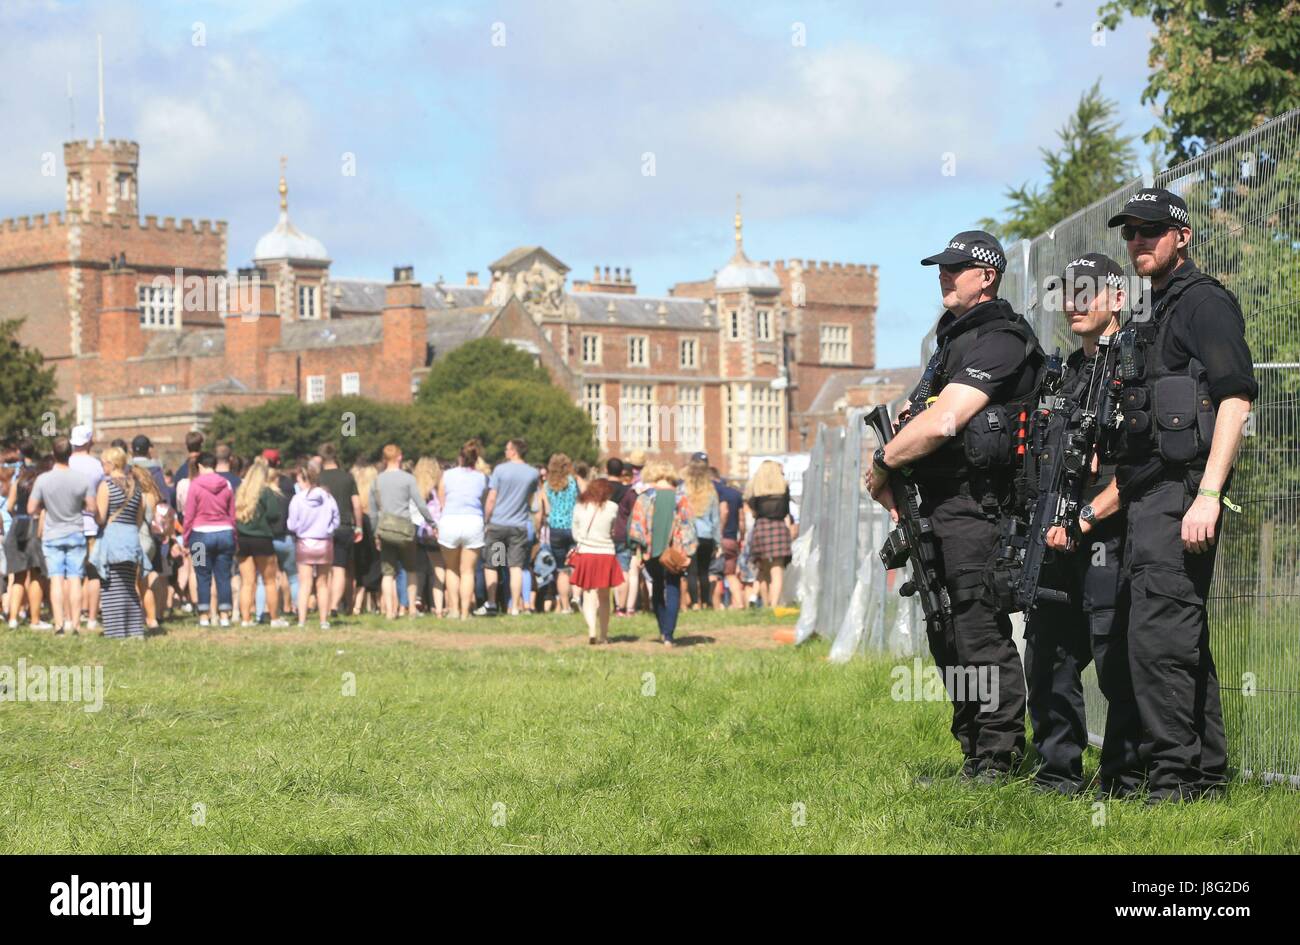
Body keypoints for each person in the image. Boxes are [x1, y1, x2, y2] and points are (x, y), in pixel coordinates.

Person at [867, 229, 1042, 783]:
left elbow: (944, 421)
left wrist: (883, 464)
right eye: (940, 267)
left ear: (986, 276)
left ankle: (1001, 756)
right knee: (946, 632)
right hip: (938, 507)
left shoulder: (1001, 337)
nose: (943, 274)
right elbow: (918, 416)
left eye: (955, 267)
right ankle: (974, 754)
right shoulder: (950, 339)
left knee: (978, 631)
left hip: (979, 509)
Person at [1104, 188, 1257, 803]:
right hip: (1147, 499)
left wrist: (1210, 494)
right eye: (1130, 233)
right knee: (1172, 636)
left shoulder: (1204, 305)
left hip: (1183, 495)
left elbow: (1237, 401)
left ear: (1182, 236)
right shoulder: (1152, 311)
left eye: (1151, 231)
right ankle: (1203, 777)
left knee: (1161, 642)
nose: (1138, 241)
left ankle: (1171, 785)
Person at [1024, 253, 1142, 796]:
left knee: (1115, 661)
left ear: (1117, 298)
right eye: (1067, 291)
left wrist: (1086, 519)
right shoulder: (1064, 372)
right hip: (1054, 540)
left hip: (1111, 539)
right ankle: (1057, 777)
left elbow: (1143, 467)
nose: (1073, 302)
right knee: (1048, 656)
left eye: (1086, 291)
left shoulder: (1138, 365)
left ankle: (1124, 780)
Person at [28, 435, 96, 634]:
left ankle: (59, 624)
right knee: (75, 578)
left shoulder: (43, 479)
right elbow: (92, 507)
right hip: (75, 530)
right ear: (70, 454)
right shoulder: (81, 479)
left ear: (53, 453)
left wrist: (46, 505)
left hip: (52, 533)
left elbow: (31, 508)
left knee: (56, 578)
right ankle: (75, 624)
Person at [629, 460, 697, 647]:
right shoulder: (680, 498)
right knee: (673, 587)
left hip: (651, 551)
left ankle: (662, 629)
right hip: (675, 551)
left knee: (657, 586)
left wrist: (638, 551)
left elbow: (637, 527)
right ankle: (669, 634)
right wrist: (688, 551)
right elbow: (688, 526)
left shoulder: (644, 497)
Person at [370, 444, 435, 619]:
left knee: (388, 573)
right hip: (405, 529)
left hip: (386, 529)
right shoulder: (408, 479)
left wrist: (376, 533)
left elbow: (373, 511)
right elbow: (420, 504)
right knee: (411, 569)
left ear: (384, 458)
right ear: (399, 457)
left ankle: (390, 611)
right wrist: (432, 522)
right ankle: (412, 609)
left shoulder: (377, 480)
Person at [479, 438, 538, 616]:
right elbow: (531, 500)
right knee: (516, 566)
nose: (505, 452)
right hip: (519, 526)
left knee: (493, 564)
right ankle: (514, 607)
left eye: (506, 449)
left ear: (513, 451)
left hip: (498, 525)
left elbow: (491, 498)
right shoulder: (532, 473)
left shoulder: (500, 470)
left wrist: (486, 520)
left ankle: (491, 603)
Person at [94, 446, 147, 640]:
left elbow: (100, 518)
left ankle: (115, 631)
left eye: (103, 463)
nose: (102, 467)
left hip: (113, 537)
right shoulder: (136, 485)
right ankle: (135, 630)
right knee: (129, 586)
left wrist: (91, 510)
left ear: (111, 463)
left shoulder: (106, 486)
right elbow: (140, 516)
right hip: (131, 537)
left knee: (111, 585)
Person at [182, 450, 237, 628]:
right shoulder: (226, 484)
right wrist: (234, 535)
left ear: (199, 466)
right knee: (223, 575)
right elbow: (232, 513)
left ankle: (204, 616)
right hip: (224, 533)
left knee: (202, 575)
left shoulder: (195, 485)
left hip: (200, 536)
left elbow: (189, 514)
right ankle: (224, 615)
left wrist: (186, 538)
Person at [436, 441, 488, 619]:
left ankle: (454, 610)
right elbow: (483, 499)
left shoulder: (447, 475)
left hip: (450, 520)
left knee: (451, 569)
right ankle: (466, 612)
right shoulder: (481, 477)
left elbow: (442, 499)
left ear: (459, 457)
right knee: (468, 571)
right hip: (473, 521)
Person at [570, 477, 624, 644]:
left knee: (588, 593)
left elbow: (575, 532)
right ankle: (604, 635)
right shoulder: (613, 508)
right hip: (606, 553)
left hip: (586, 553)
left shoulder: (580, 506)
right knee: (604, 597)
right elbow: (614, 530)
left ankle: (592, 629)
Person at [287, 460, 339, 629]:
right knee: (323, 583)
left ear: (304, 479)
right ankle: (324, 620)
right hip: (324, 542)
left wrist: (300, 529)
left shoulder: (297, 499)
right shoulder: (328, 497)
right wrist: (327, 530)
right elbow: (336, 520)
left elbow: (292, 525)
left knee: (305, 584)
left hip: (304, 542)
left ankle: (302, 620)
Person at [234, 457, 286, 628]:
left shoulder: (240, 491)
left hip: (242, 539)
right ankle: (274, 618)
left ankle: (246, 619)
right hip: (262, 539)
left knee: (247, 582)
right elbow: (273, 514)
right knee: (269, 581)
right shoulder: (266, 492)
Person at [319, 443, 363, 617]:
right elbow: (357, 505)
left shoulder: (319, 478)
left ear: (322, 458)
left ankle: (325, 602)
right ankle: (334, 605)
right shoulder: (347, 477)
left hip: (322, 528)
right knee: (339, 567)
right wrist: (358, 526)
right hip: (344, 526)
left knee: (326, 569)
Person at [5, 443, 46, 628]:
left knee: (18, 576)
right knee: (36, 574)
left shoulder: (16, 481)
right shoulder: (40, 483)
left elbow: (9, 506)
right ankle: (35, 620)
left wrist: (16, 518)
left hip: (16, 527)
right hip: (34, 525)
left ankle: (13, 618)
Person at [744, 461, 795, 609]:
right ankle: (774, 605)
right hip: (779, 527)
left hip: (761, 527)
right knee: (777, 569)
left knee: (763, 568)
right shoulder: (783, 488)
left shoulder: (756, 490)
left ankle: (765, 604)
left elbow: (753, 513)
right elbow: (786, 511)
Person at [68, 425, 104, 631]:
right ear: (90, 442)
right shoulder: (96, 466)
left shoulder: (66, 463)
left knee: (69, 574)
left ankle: (69, 615)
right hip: (91, 524)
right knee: (93, 574)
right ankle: (91, 617)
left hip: (67, 524)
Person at [540, 453, 580, 615]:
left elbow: (546, 508)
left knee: (562, 569)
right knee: (575, 565)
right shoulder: (573, 482)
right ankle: (576, 597)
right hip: (573, 527)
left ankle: (565, 606)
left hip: (555, 529)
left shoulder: (547, 485)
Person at [679, 453, 720, 610]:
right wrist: (717, 542)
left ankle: (695, 602)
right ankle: (706, 602)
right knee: (704, 571)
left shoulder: (683, 490)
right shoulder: (711, 491)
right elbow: (715, 519)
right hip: (706, 535)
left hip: (688, 535)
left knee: (692, 572)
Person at [413, 457, 446, 617]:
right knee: (439, 569)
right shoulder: (440, 488)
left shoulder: (415, 489)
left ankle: (415, 600)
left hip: (419, 532)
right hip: (437, 532)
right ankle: (439, 608)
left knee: (416, 567)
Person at [711, 467, 745, 609]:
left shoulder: (710, 492)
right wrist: (741, 537)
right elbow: (742, 520)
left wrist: (718, 535)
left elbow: (723, 513)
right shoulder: (736, 494)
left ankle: (716, 605)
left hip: (718, 538)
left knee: (714, 574)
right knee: (730, 574)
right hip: (732, 539)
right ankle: (739, 603)